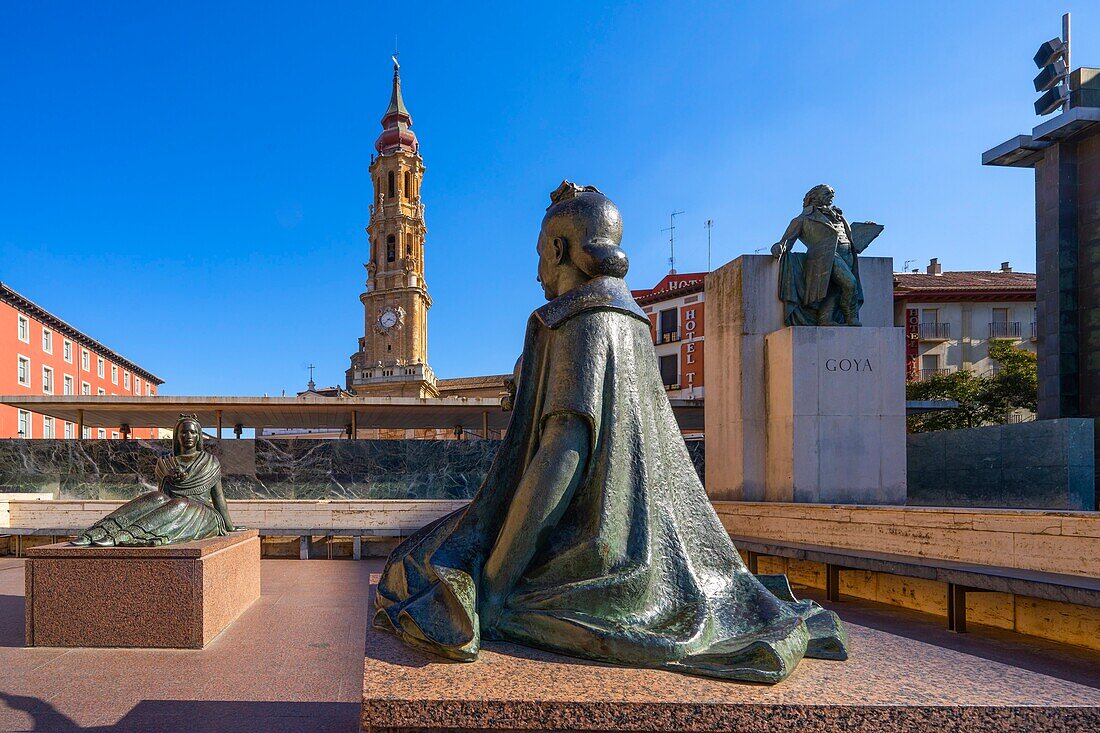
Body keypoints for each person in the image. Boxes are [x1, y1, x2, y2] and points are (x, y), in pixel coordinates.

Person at [373, 181, 847, 683]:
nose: (536, 272)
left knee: (417, 566)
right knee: (434, 551)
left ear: (558, 250)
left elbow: (563, 453)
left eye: (539, 254)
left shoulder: (581, 320)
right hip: (636, 537)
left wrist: (492, 586)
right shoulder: (632, 321)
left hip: (600, 552)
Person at [72, 415, 236, 547]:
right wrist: (169, 477)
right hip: (172, 508)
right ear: (177, 436)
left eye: (192, 432)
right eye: (183, 432)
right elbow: (161, 498)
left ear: (199, 436)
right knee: (154, 497)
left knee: (180, 503)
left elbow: (218, 496)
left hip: (202, 514)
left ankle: (128, 535)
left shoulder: (210, 462)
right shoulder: (166, 461)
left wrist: (229, 526)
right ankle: (100, 530)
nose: (188, 436)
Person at [771, 184, 880, 326]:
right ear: (814, 197)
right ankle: (851, 317)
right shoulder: (802, 219)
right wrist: (779, 247)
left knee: (834, 289)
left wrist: (865, 229)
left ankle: (825, 318)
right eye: (827, 194)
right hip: (826, 256)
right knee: (850, 284)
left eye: (832, 194)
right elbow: (787, 241)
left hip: (847, 255)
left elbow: (846, 236)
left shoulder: (838, 216)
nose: (831, 197)